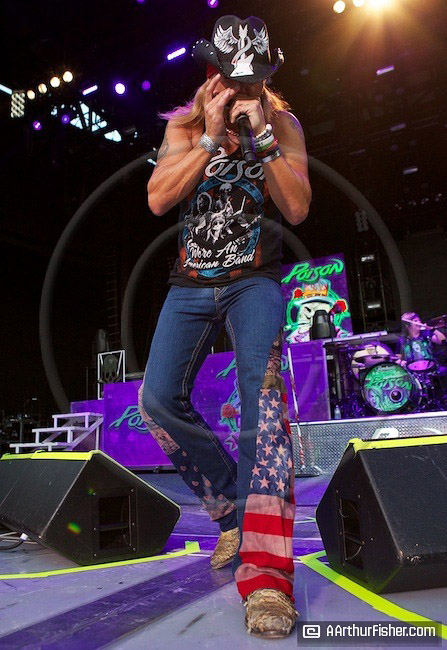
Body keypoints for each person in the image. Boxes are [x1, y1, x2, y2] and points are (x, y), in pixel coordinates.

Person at [138, 14, 311, 639]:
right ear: (212, 74)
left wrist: (261, 139)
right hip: (191, 284)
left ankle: (266, 578)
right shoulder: (185, 126)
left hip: (254, 281)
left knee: (262, 405)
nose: (242, 89)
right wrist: (210, 138)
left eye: (253, 80)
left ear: (266, 76)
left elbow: (297, 207)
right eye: (233, 79)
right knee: (157, 400)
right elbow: (159, 199)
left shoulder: (282, 124)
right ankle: (234, 513)